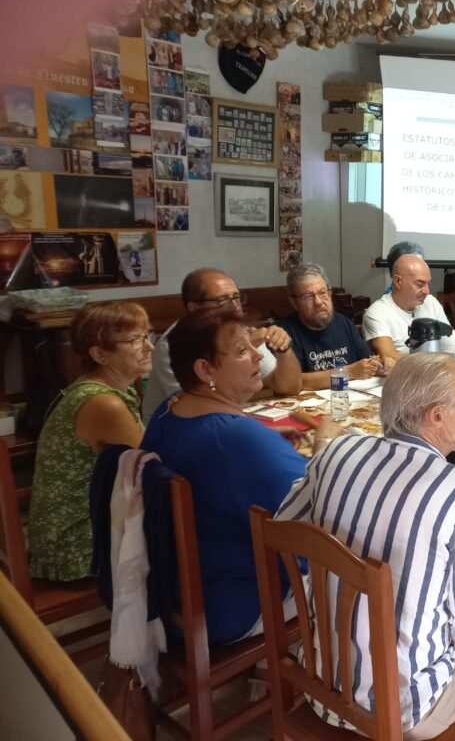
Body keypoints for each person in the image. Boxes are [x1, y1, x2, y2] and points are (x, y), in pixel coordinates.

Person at [276, 353, 455, 741]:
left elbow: (283, 526)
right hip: (404, 710)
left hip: (319, 680)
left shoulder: (334, 453)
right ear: (436, 416)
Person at [141, 308, 338, 645]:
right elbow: (321, 504)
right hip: (233, 604)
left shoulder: (171, 407)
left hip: (175, 588)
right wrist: (325, 444)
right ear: (205, 369)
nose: (258, 356)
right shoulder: (236, 437)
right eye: (242, 351)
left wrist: (264, 441)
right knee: (364, 555)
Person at [28, 302, 153, 582]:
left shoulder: (106, 389)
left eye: (148, 335)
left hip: (85, 526)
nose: (149, 347)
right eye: (135, 340)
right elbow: (153, 468)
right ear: (99, 354)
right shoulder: (103, 403)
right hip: (76, 547)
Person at [143, 268, 302, 418]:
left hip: (234, 418)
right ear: (194, 307)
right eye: (223, 300)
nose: (235, 307)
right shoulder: (172, 345)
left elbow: (287, 387)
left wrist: (284, 349)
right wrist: (242, 347)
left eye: (236, 297)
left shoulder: (239, 332)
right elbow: (200, 406)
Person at [362, 254, 455, 370]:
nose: (427, 291)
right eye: (420, 284)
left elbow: (446, 342)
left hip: (434, 372)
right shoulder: (377, 313)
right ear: (398, 282)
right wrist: (438, 360)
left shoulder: (430, 302)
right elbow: (390, 358)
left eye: (428, 284)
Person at [279, 263, 381, 389]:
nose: (318, 302)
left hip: (350, 395)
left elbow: (366, 361)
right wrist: (347, 372)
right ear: (294, 302)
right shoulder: (284, 333)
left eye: (322, 293)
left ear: (330, 293)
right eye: (308, 296)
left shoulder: (344, 323)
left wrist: (377, 366)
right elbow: (293, 382)